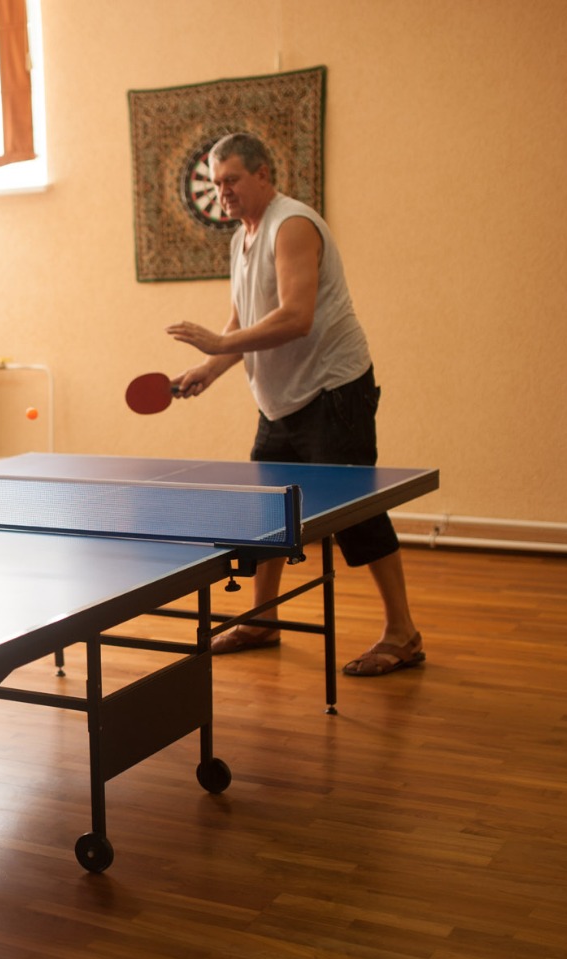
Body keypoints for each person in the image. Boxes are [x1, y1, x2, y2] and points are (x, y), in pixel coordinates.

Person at [165, 132, 423, 677]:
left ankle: (403, 633)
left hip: (334, 391)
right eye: (216, 183)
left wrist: (219, 342)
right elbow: (244, 320)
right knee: (268, 513)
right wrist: (208, 369)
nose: (223, 192)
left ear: (263, 174)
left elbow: (295, 317)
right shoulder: (242, 238)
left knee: (356, 513)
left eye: (232, 180)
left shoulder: (292, 226)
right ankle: (262, 620)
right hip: (280, 401)